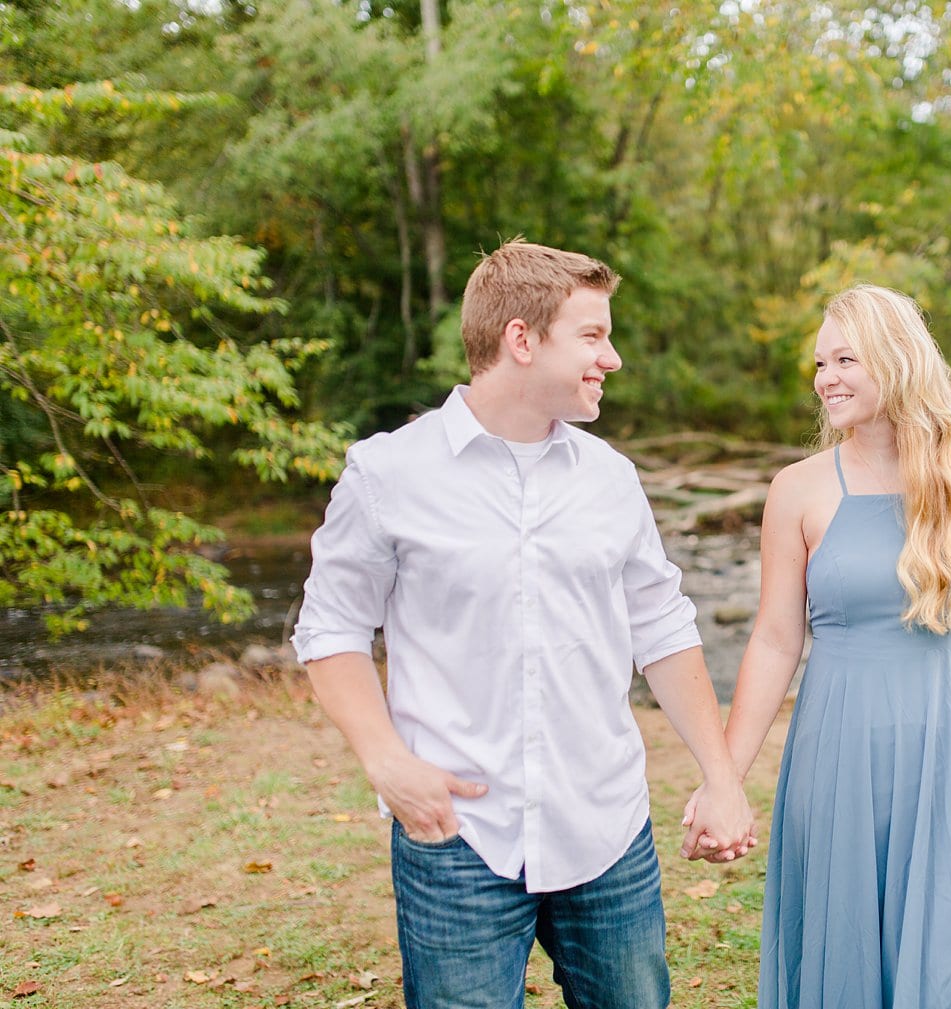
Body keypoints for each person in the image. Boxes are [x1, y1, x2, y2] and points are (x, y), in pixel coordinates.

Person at [292, 239, 754, 1009]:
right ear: (520, 339)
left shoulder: (612, 479)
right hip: (458, 834)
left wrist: (721, 776)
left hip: (606, 827)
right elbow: (331, 626)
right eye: (593, 335)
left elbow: (663, 629)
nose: (612, 358)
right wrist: (383, 759)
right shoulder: (387, 473)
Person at [719, 285, 951, 1008]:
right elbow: (777, 638)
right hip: (838, 743)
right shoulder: (797, 489)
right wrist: (727, 775)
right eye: (820, 362)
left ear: (897, 361)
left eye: (846, 358)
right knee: (843, 930)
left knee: (941, 934)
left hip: (943, 732)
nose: (826, 378)